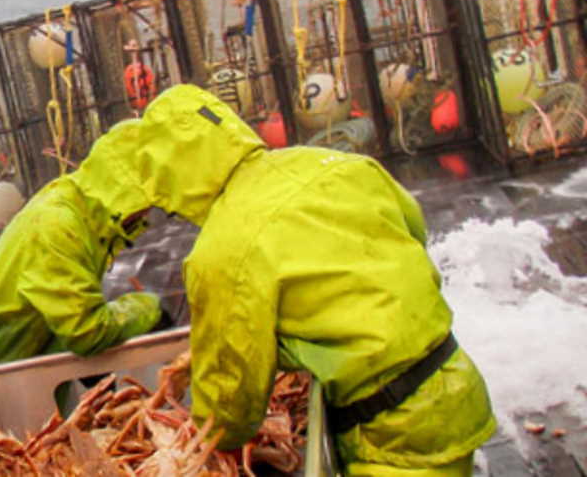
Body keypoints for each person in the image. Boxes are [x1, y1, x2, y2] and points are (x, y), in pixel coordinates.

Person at [131, 84, 495, 475]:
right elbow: (413, 230)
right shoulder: (333, 163)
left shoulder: (220, 253)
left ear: (171, 175)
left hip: (391, 435)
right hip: (455, 384)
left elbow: (228, 405)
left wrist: (197, 437)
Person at [0, 119, 169, 376]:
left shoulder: (81, 209)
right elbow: (85, 331)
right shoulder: (57, 225)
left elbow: (59, 316)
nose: (151, 210)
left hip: (16, 373)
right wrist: (149, 307)